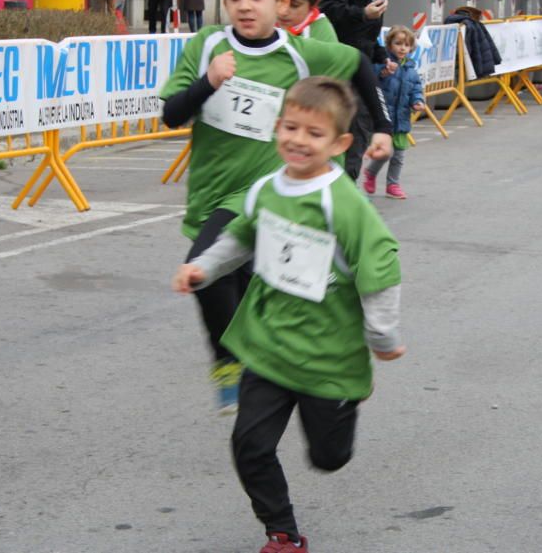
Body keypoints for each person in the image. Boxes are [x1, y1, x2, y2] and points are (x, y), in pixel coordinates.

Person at [173, 76, 405, 553]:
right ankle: (281, 532)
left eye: (314, 133)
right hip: (269, 344)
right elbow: (242, 237)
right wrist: (204, 267)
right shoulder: (266, 189)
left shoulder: (343, 203)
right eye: (291, 128)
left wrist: (382, 338)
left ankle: (345, 403)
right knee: (250, 446)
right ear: (277, 127)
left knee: (329, 458)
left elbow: (379, 267)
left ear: (340, 143)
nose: (299, 140)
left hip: (328, 355)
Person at [159, 0, 392, 415]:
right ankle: (277, 376)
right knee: (243, 293)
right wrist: (209, 82)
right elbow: (171, 115)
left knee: (204, 269)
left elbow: (360, 66)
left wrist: (384, 127)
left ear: (279, 1)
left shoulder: (300, 53)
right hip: (208, 194)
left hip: (264, 195)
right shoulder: (206, 46)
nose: (245, 6)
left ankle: (231, 364)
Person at [319, 0, 408, 180]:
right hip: (342, 63)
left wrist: (382, 54)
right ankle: (341, 187)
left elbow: (366, 31)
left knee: (360, 127)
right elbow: (326, 8)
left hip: (362, 60)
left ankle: (344, 185)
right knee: (354, 127)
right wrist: (362, 13)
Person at [363, 25, 423, 200]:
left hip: (402, 116)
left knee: (399, 154)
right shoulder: (382, 63)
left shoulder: (411, 69)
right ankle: (371, 173)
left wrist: (418, 101)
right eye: (398, 43)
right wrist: (383, 72)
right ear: (389, 46)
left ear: (411, 47)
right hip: (385, 116)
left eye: (406, 44)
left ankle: (393, 184)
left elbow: (416, 89)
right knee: (385, 152)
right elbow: (373, 80)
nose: (402, 48)